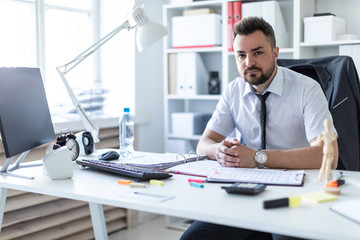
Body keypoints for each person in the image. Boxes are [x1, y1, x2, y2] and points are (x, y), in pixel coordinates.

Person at [180, 16, 339, 240]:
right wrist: (222, 152)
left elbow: (328, 157)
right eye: (241, 55)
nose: (249, 62)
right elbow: (203, 145)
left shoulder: (307, 89)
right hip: (246, 193)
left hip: (296, 195)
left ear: (275, 53)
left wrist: (257, 157)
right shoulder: (233, 91)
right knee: (193, 238)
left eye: (258, 52)